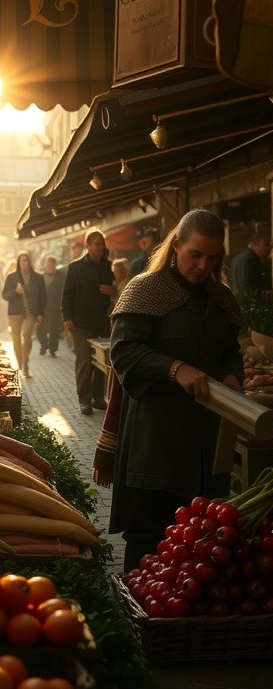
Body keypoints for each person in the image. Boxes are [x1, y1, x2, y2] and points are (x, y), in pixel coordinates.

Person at [109, 209, 244, 571]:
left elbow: (231, 351)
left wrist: (233, 375)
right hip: (156, 438)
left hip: (207, 438)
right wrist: (174, 368)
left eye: (213, 257)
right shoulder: (145, 289)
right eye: (195, 254)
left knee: (199, 535)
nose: (203, 265)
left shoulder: (221, 299)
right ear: (176, 246)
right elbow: (123, 351)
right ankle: (138, 615)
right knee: (148, 534)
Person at [62, 228, 114, 415]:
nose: (100, 248)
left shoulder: (108, 266)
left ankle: (98, 397)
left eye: (102, 244)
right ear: (88, 246)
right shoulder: (75, 267)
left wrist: (112, 291)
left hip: (102, 322)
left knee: (101, 361)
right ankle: (84, 399)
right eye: (96, 244)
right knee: (84, 360)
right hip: (81, 323)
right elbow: (67, 294)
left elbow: (118, 289)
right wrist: (67, 317)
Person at [2, 252, 46, 377]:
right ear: (18, 262)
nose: (24, 263)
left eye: (26, 260)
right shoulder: (12, 277)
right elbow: (4, 295)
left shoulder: (38, 278)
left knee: (26, 335)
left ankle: (25, 362)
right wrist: (16, 291)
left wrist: (40, 313)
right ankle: (20, 363)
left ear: (30, 262)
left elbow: (43, 297)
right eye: (21, 260)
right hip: (15, 313)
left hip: (31, 313)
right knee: (16, 340)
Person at [228, 229, 272, 294]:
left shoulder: (236, 259)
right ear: (254, 245)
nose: (269, 248)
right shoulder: (253, 259)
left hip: (237, 299)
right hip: (249, 301)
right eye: (265, 245)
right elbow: (249, 285)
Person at [37, 255, 65, 357]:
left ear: (55, 264)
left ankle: (53, 349)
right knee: (40, 328)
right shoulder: (40, 277)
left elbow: (64, 291)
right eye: (48, 263)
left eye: (51, 263)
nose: (49, 265)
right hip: (42, 306)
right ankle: (44, 345)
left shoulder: (61, 276)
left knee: (54, 329)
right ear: (45, 264)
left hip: (56, 306)